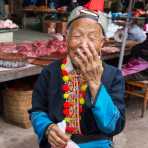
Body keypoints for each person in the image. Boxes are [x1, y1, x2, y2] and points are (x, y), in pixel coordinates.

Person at [29, 6, 125, 148]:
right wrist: (48, 128)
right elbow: (37, 111)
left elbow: (114, 126)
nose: (83, 44)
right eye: (77, 36)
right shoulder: (49, 72)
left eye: (92, 38)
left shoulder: (113, 75)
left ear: (101, 43)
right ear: (66, 37)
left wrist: (94, 83)